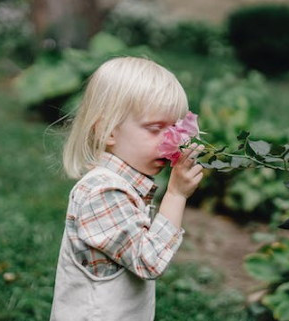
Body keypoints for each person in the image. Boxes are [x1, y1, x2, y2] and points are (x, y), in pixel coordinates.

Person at [50, 56, 204, 321]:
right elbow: (149, 260)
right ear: (107, 131)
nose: (171, 140)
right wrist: (176, 195)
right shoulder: (103, 192)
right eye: (155, 128)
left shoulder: (121, 185)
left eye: (175, 129)